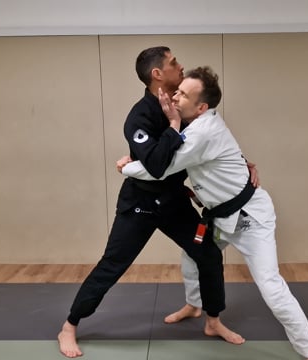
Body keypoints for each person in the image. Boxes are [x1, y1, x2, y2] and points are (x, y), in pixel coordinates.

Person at [118, 66, 308, 360]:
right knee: (193, 254)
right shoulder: (192, 123)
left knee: (271, 287)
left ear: (201, 107)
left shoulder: (201, 132)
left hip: (250, 219)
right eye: (177, 91)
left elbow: (161, 167)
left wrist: (126, 166)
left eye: (183, 95)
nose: (175, 97)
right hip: (219, 217)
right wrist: (246, 162)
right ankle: (195, 305)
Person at [58, 47, 246, 358]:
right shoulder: (138, 117)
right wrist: (172, 127)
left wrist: (245, 163)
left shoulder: (185, 106)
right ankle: (69, 326)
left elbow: (210, 145)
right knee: (112, 265)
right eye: (173, 63)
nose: (180, 65)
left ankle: (212, 320)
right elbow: (158, 166)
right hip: (140, 205)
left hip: (173, 203)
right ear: (157, 74)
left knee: (209, 255)